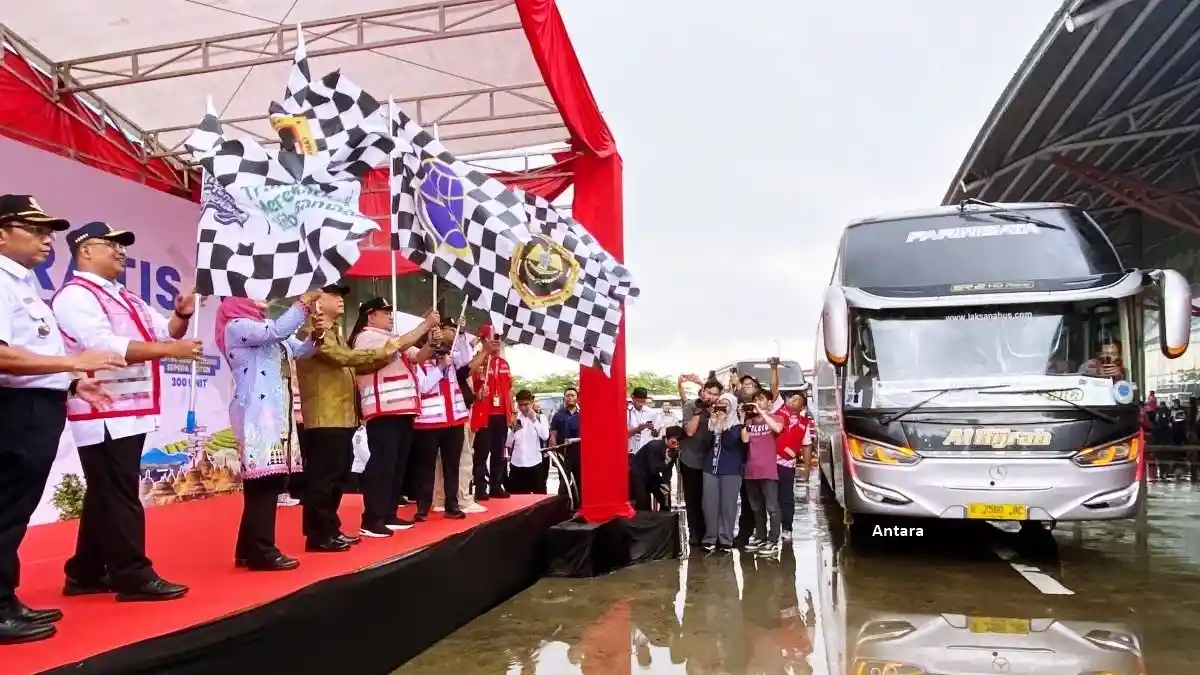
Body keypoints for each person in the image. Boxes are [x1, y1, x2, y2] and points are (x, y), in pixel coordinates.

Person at [52, 221, 202, 603]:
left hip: (129, 410)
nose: (121, 251)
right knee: (118, 492)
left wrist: (181, 317)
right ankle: (133, 574)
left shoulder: (126, 296)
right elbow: (104, 345)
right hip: (101, 409)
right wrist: (171, 351)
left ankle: (84, 571)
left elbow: (164, 332)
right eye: (112, 244)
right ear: (85, 250)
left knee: (106, 492)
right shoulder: (75, 296)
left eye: (123, 245)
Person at [0, 195, 122, 644]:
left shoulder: (22, 283)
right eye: (34, 230)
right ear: (1, 233)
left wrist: (72, 381)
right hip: (15, 411)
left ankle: (5, 600)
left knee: (14, 511)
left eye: (48, 231)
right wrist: (76, 362)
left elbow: (33, 353)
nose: (46, 239)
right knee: (6, 510)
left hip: (37, 406)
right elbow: (4, 357)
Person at [216, 293, 319, 570]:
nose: (262, 299)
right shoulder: (237, 326)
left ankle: (248, 549)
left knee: (264, 482)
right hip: (255, 413)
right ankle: (262, 550)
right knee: (265, 482)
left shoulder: (265, 329)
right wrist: (303, 304)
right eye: (252, 295)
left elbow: (301, 350)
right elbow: (276, 331)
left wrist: (317, 335)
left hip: (275, 411)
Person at [297, 283, 403, 552]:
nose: (341, 301)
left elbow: (351, 362)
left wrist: (385, 355)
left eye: (343, 296)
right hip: (325, 414)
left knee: (336, 476)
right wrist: (384, 350)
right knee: (323, 478)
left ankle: (330, 528)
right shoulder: (314, 331)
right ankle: (318, 534)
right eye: (334, 296)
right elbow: (341, 357)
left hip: (342, 415)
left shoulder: (335, 332)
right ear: (319, 301)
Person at [349, 297, 438, 538]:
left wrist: (430, 343)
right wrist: (425, 325)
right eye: (385, 312)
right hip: (382, 409)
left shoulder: (392, 338)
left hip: (403, 409)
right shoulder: (366, 337)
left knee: (397, 466)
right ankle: (371, 519)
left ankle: (388, 513)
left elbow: (419, 357)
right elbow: (398, 346)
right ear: (371, 316)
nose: (390, 316)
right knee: (383, 466)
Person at [410, 317, 487, 521]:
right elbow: (424, 386)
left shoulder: (451, 360)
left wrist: (460, 334)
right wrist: (441, 368)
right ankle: (423, 507)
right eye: (436, 343)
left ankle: (452, 505)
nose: (441, 347)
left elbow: (465, 356)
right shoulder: (419, 362)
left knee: (452, 464)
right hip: (428, 422)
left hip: (454, 420)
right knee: (426, 467)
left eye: (443, 343)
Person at [470, 324, 515, 501]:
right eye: (492, 337)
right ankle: (481, 488)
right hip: (484, 414)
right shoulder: (477, 361)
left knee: (499, 452)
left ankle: (496, 486)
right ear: (482, 339)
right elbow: (469, 385)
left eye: (498, 337)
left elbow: (510, 389)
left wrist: (511, 411)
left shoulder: (504, 363)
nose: (496, 341)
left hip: (501, 414)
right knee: (481, 452)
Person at [741, 391, 786, 555]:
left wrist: (762, 413)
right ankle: (760, 536)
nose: (757, 402)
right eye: (755, 400)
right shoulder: (750, 421)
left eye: (761, 399)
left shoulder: (776, 418)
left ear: (769, 403)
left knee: (772, 507)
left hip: (768, 470)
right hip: (751, 470)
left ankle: (773, 540)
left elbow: (778, 428)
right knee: (756, 508)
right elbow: (745, 439)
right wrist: (743, 418)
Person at [701, 397, 746, 552]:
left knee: (728, 505)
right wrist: (713, 422)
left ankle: (726, 539)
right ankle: (710, 538)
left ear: (732, 407)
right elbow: (705, 443)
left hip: (731, 470)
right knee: (709, 504)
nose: (723, 407)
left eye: (727, 404)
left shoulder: (737, 425)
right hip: (710, 468)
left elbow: (729, 443)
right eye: (721, 404)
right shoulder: (712, 423)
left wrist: (723, 423)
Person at [680, 376, 721, 546]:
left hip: (710, 461)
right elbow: (689, 432)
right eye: (709, 393)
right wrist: (698, 413)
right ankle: (694, 533)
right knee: (693, 499)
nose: (711, 397)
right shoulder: (691, 406)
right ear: (702, 392)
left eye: (715, 394)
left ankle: (711, 533)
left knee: (710, 500)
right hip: (690, 460)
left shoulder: (719, 408)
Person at [774, 391, 812, 540]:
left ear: (801, 406)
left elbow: (807, 445)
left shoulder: (804, 423)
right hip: (769, 462)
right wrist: (775, 368)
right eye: (791, 398)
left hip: (787, 465)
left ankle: (787, 528)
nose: (791, 400)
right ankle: (769, 531)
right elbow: (774, 387)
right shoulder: (778, 411)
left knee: (786, 497)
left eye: (796, 400)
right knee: (770, 497)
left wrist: (807, 468)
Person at [631, 426, 684, 511]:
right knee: (643, 503)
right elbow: (653, 468)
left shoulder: (673, 452)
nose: (676, 445)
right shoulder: (654, 446)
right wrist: (666, 462)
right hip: (639, 473)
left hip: (652, 475)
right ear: (667, 438)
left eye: (679, 443)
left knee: (665, 500)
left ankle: (665, 516)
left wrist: (666, 492)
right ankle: (646, 519)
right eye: (674, 442)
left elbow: (667, 474)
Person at [506, 389, 549, 494]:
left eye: (526, 404)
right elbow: (507, 443)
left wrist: (534, 419)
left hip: (535, 463)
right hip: (517, 464)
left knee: (539, 498)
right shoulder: (515, 418)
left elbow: (545, 436)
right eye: (520, 405)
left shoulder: (540, 418)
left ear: (532, 402)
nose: (523, 408)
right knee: (517, 500)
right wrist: (512, 429)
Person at [548, 387, 582, 498]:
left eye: (573, 395)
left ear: (577, 398)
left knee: (580, 481)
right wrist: (554, 453)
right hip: (564, 454)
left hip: (580, 454)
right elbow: (553, 434)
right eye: (568, 396)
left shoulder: (583, 414)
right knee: (564, 482)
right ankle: (562, 507)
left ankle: (579, 506)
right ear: (564, 398)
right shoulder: (558, 415)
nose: (570, 398)